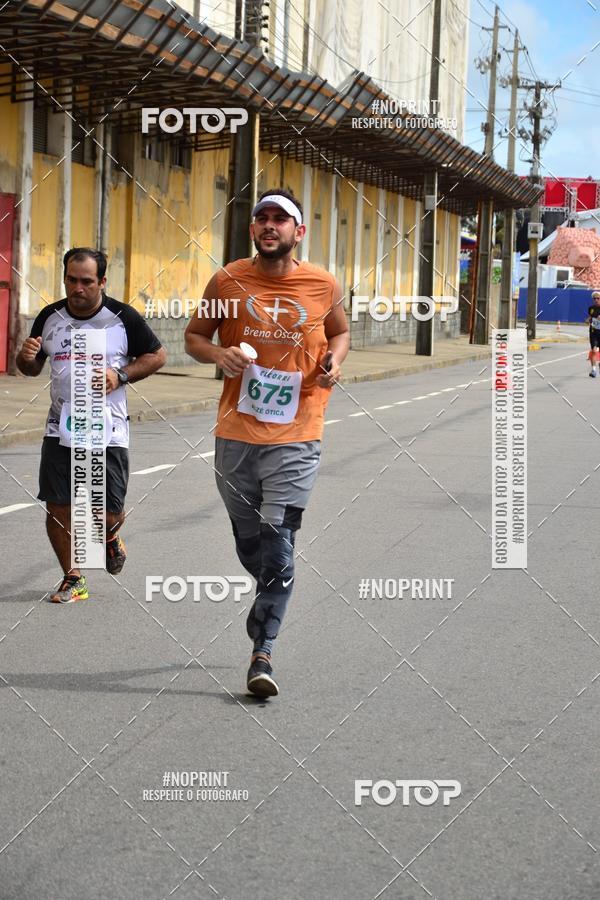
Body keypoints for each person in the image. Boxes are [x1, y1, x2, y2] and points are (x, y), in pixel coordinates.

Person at [185, 189, 350, 698]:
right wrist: (219, 355)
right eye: (262, 217)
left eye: (281, 218)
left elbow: (341, 332)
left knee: (278, 538)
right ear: (252, 228)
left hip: (298, 432)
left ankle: (263, 651)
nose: (269, 225)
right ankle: (272, 585)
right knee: (249, 539)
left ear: (299, 231)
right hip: (236, 433)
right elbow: (194, 337)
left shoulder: (323, 284)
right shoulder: (227, 280)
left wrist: (335, 361)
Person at [16, 247, 166, 602]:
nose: (78, 288)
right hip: (61, 427)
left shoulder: (122, 317)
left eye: (86, 281)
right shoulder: (50, 317)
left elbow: (157, 355)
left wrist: (121, 375)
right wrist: (24, 358)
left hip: (108, 429)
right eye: (71, 280)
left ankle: (110, 537)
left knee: (107, 513)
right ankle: (73, 578)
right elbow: (32, 368)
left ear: (102, 282)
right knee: (58, 506)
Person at [586, 291, 600, 377]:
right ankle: (593, 370)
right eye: (594, 298)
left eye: (598, 298)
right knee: (594, 350)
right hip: (593, 332)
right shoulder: (591, 308)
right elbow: (590, 317)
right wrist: (588, 319)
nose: (596, 300)